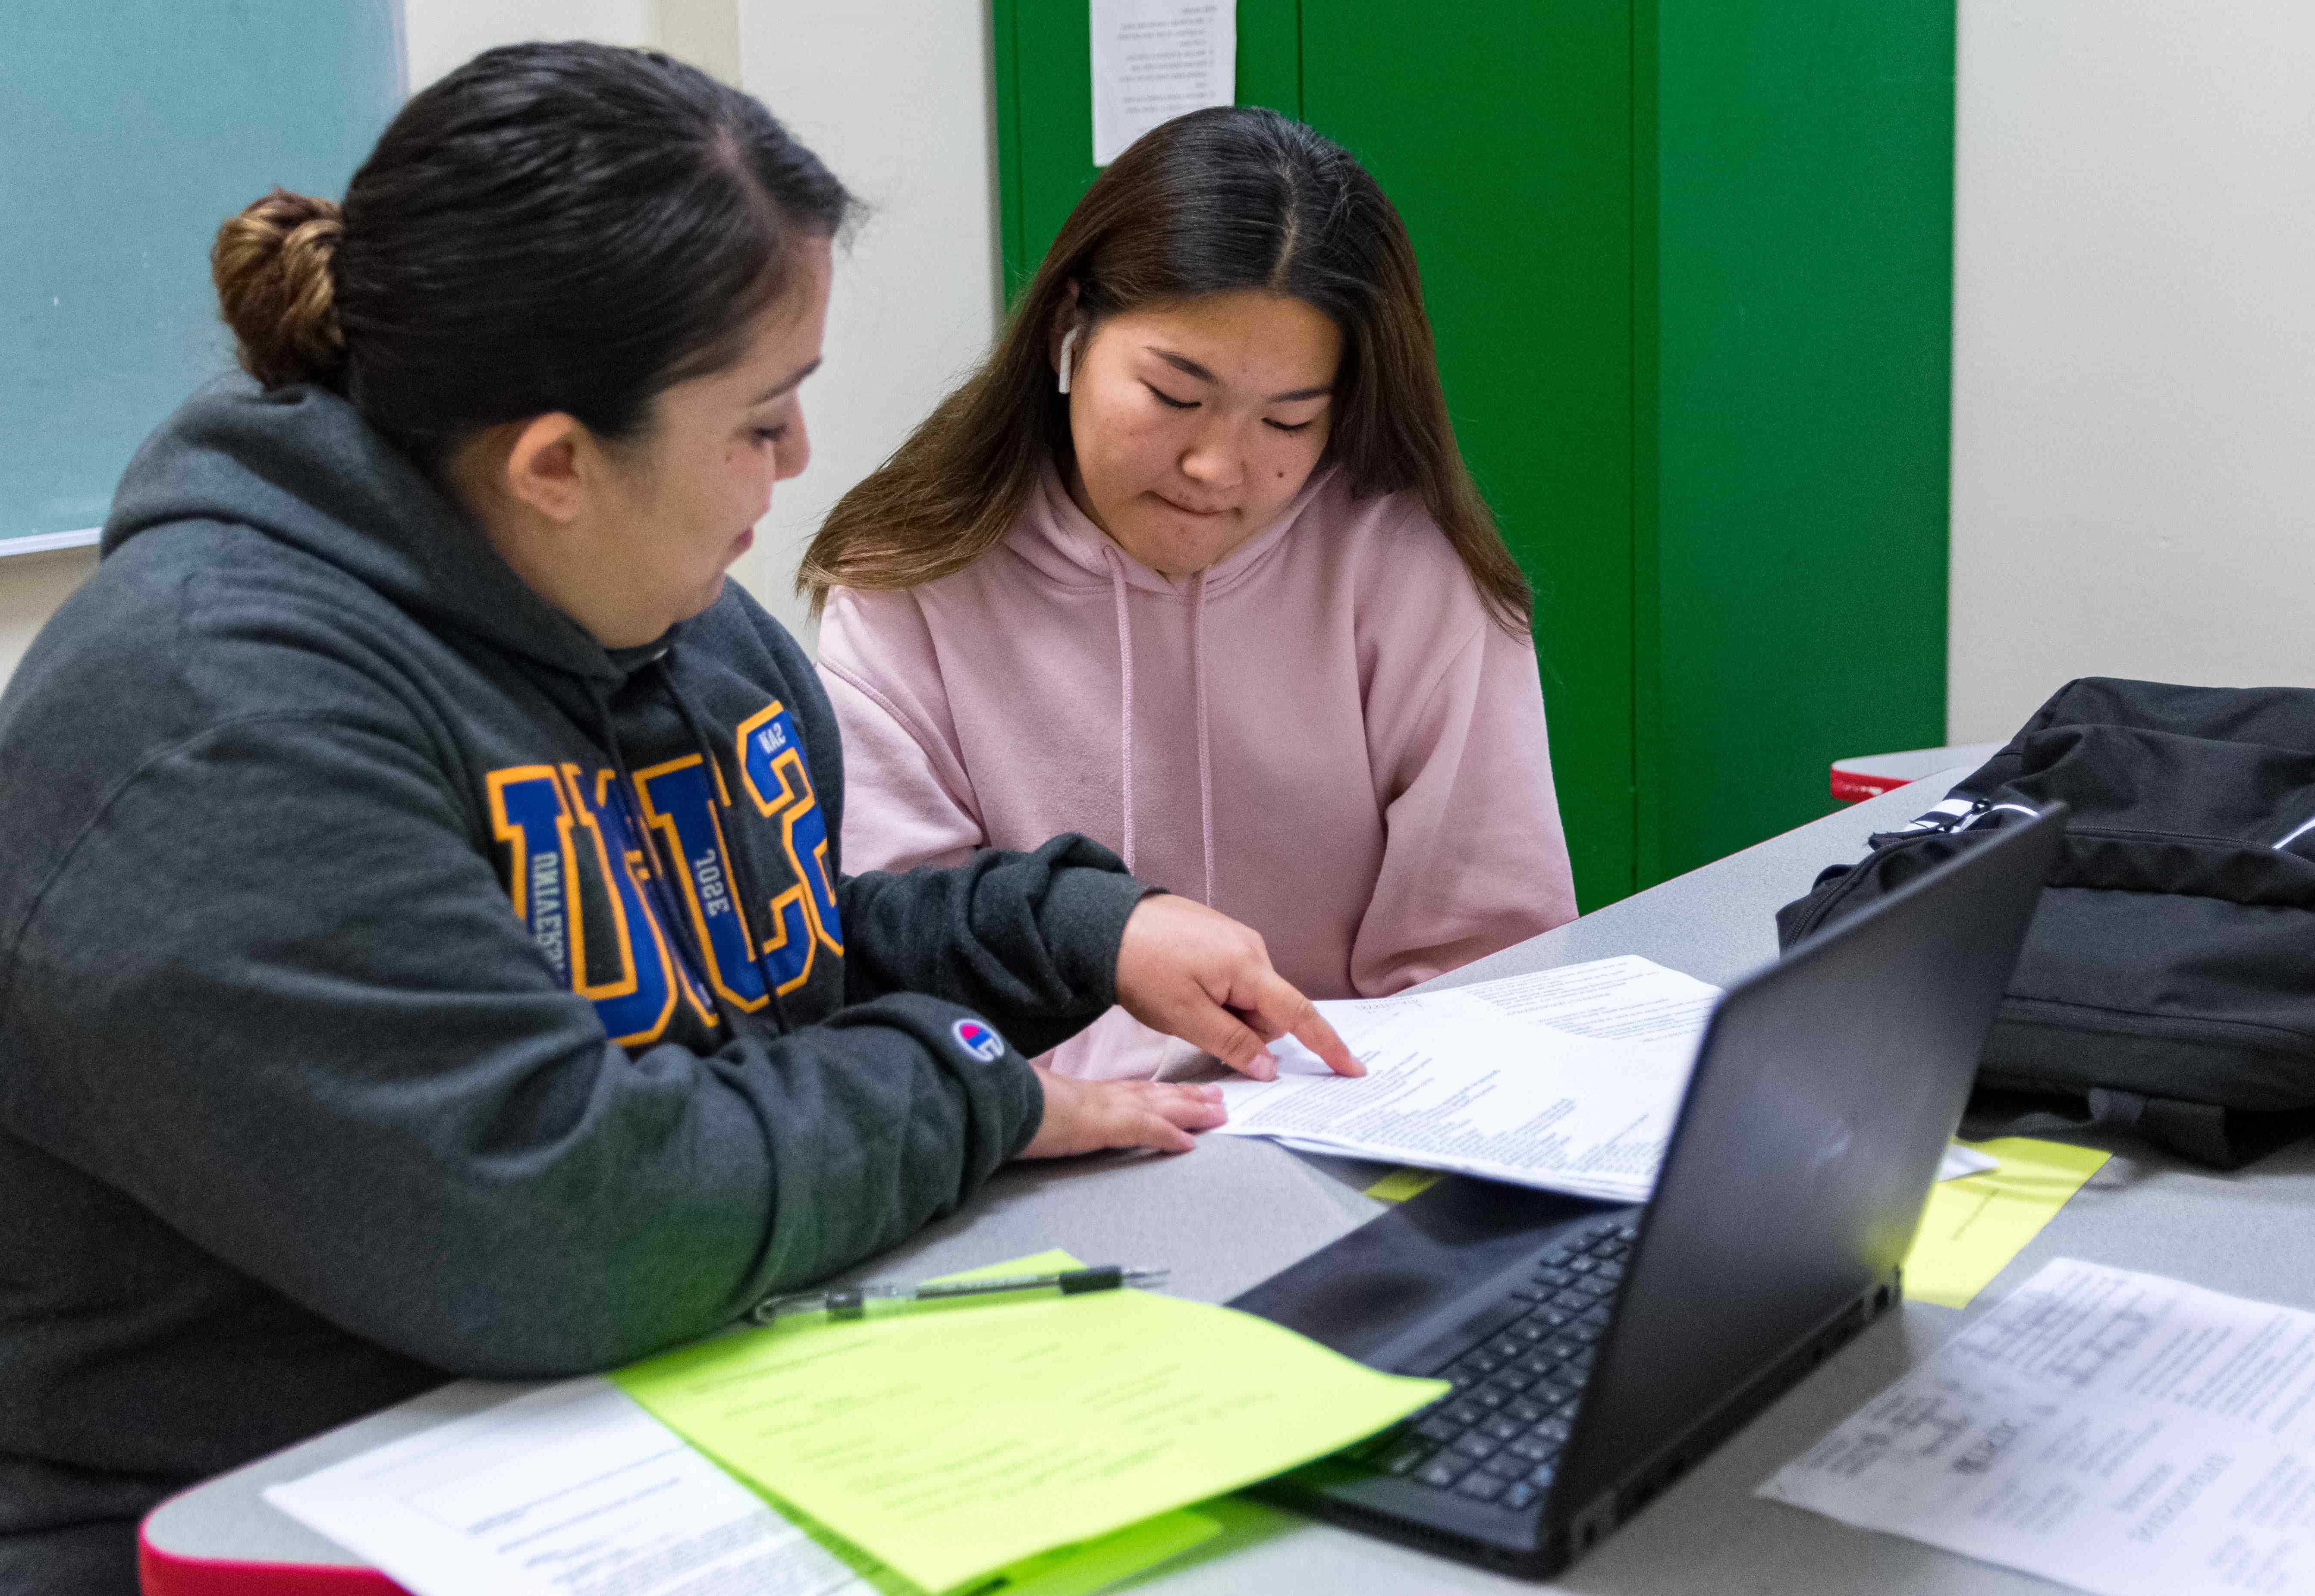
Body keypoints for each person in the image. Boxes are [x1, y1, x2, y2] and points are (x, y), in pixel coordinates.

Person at [0, 46, 1354, 1595]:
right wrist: (970, 1084)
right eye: (762, 417)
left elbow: (744, 969)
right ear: (557, 464)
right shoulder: (208, 726)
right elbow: (568, 1217)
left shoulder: (661, 610)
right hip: (280, 1523)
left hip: (642, 1423)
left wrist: (1065, 929)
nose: (794, 464)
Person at [805, 106, 1577, 1079]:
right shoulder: (908, 580)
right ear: (1066, 331)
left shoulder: (1404, 569)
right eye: (1174, 396)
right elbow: (901, 954)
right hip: (1027, 1135)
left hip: (1353, 1117)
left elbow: (1492, 954)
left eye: (1288, 422)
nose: (1217, 466)